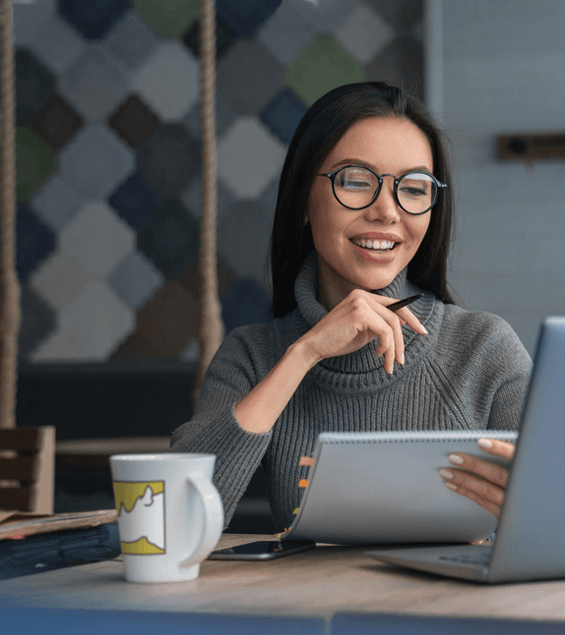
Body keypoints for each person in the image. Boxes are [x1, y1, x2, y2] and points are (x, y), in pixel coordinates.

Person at [169, 82, 532, 533]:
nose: (387, 211)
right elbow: (171, 523)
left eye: (414, 188)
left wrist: (538, 503)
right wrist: (304, 355)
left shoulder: (485, 349)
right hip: (312, 604)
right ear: (304, 199)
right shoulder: (252, 357)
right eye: (356, 181)